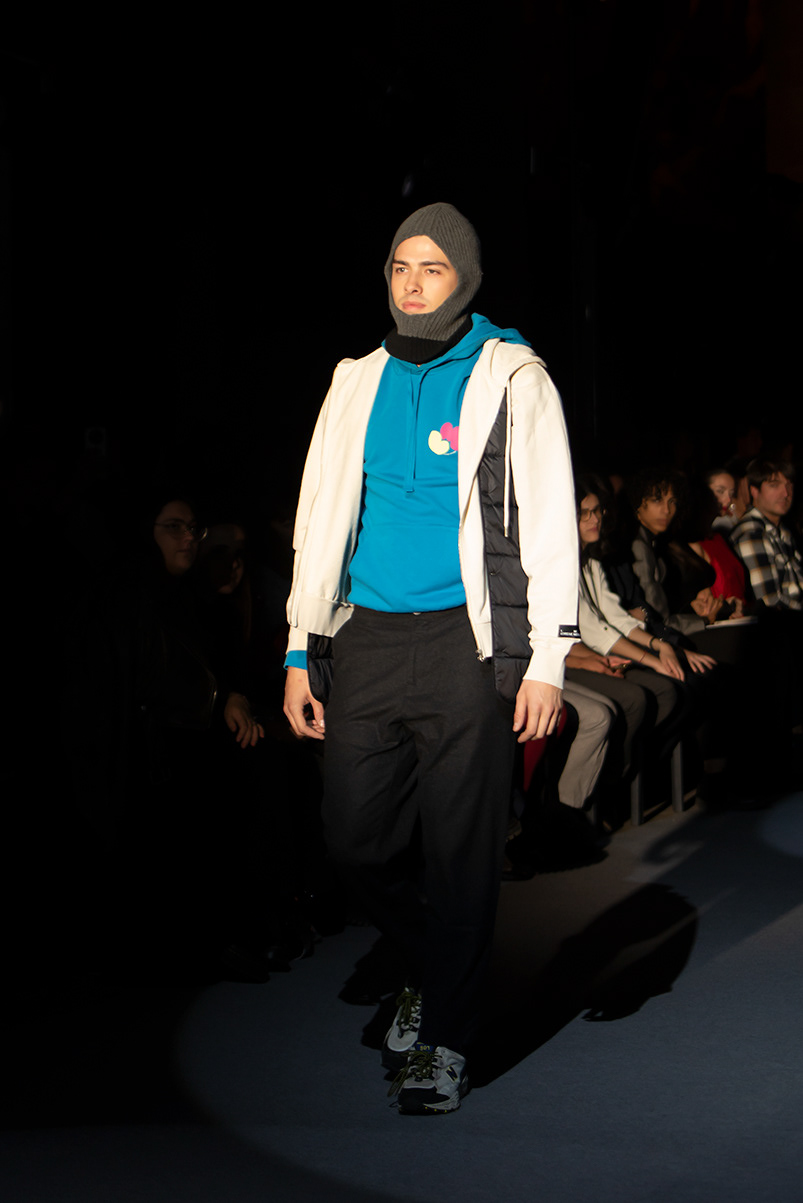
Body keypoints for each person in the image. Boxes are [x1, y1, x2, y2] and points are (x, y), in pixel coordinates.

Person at [283, 202, 578, 1114]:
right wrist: (297, 646)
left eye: (432, 268)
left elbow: (552, 519)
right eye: (400, 267)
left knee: (458, 850)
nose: (412, 284)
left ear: (465, 278)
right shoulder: (355, 379)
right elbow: (318, 515)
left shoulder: (511, 374)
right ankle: (429, 961)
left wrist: (549, 658)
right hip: (366, 633)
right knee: (352, 839)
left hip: (465, 638)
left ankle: (444, 1040)